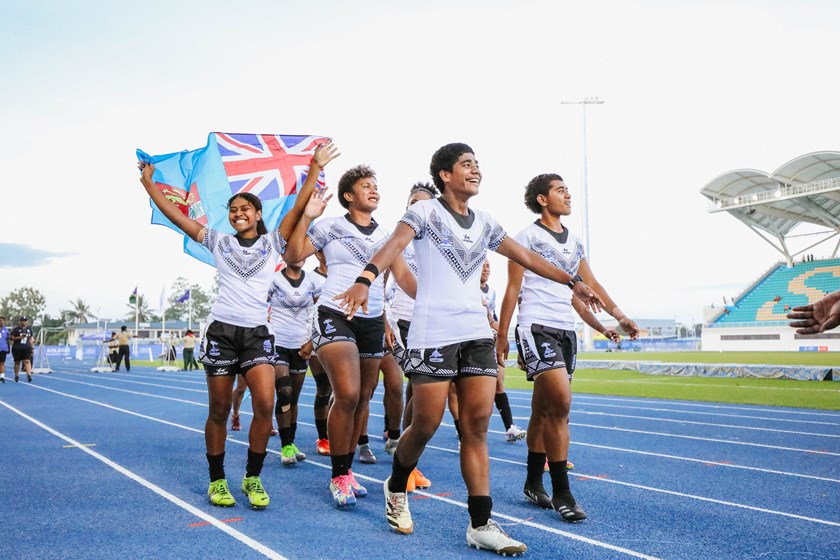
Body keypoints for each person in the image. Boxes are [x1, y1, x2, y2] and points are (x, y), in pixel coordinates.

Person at [334, 143, 603, 554]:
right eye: (466, 164)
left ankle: (480, 523)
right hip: (433, 333)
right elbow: (392, 246)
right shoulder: (425, 212)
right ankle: (397, 483)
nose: (475, 170)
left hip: (475, 332)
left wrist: (571, 281)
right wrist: (365, 279)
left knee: (475, 428)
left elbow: (526, 256)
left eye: (478, 164)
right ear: (445, 174)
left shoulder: (487, 222)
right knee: (424, 425)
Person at [138, 139, 338, 510]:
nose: (237, 213)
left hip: (258, 334)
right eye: (232, 210)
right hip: (222, 333)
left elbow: (297, 208)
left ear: (258, 213)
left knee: (265, 404)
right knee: (218, 410)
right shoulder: (217, 242)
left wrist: (314, 166)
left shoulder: (274, 243)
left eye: (244, 208)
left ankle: (252, 478)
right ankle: (217, 481)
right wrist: (150, 185)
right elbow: (177, 216)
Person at [496, 172, 639, 523]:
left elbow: (591, 284)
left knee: (544, 409)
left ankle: (532, 482)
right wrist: (502, 334)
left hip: (565, 330)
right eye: (560, 190)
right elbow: (513, 288)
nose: (568, 194)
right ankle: (563, 492)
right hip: (535, 326)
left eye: (568, 189)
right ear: (542, 199)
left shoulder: (575, 241)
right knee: (561, 403)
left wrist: (618, 316)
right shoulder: (525, 237)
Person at [283, 163, 417, 511]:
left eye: (376, 185)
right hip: (335, 314)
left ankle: (348, 469)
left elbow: (403, 278)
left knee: (362, 398)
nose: (374, 190)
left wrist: (443, 297)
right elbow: (293, 255)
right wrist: (308, 217)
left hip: (371, 321)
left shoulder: (389, 235)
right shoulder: (330, 226)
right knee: (347, 393)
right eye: (366, 186)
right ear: (348, 195)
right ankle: (338, 475)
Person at [382, 181, 438, 492]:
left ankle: (404, 454)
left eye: (424, 202)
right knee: (417, 387)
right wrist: (384, 321)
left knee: (422, 394)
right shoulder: (399, 239)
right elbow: (382, 280)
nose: (417, 207)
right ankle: (406, 468)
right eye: (412, 202)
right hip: (404, 320)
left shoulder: (442, 240)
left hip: (434, 322)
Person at [267, 257, 321, 466]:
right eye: (293, 252)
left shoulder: (314, 283)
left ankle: (291, 442)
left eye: (301, 253)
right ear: (285, 254)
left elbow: (321, 311)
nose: (298, 257)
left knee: (294, 398)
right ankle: (285, 446)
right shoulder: (273, 281)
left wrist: (312, 340)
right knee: (284, 392)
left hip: (301, 346)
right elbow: (259, 307)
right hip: (278, 343)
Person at [308, 251, 332, 456]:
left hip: (341, 337)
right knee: (324, 388)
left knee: (344, 391)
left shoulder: (341, 274)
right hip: (315, 338)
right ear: (316, 252)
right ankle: (323, 437)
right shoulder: (310, 278)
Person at [11, 316, 35, 383]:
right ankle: (16, 376)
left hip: (26, 348)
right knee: (17, 362)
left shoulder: (29, 329)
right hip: (17, 348)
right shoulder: (16, 329)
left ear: (27, 321)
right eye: (23, 320)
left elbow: (30, 338)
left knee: (27, 361)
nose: (24, 322)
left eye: (25, 320)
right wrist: (18, 337)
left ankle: (29, 375)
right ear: (20, 321)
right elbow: (11, 338)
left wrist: (32, 347)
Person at [0, 316, 9, 383]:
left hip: (3, 348)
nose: (1, 321)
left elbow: (7, 339)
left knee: (2, 363)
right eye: (0, 320)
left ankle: (2, 377)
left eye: (2, 320)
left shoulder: (5, 329)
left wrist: (8, 347)